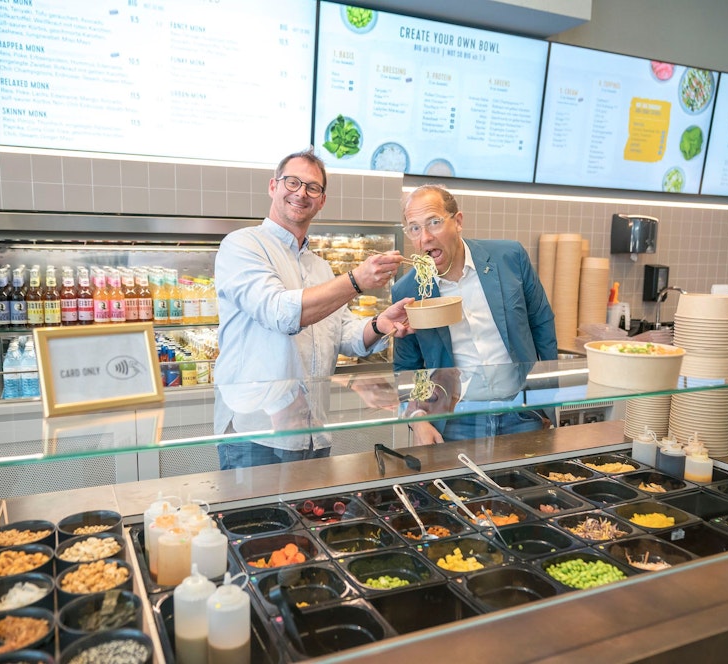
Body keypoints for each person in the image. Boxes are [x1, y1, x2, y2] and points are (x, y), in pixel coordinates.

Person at [213, 148, 413, 469]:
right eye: (292, 182)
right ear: (273, 187)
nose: (301, 193)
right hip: (257, 436)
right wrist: (356, 279)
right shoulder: (243, 246)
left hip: (314, 433)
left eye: (312, 188)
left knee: (312, 519)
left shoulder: (320, 267)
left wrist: (379, 324)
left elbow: (344, 335)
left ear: (321, 201)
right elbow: (279, 312)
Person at [392, 184, 557, 445]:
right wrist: (418, 419)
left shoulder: (509, 258)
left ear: (458, 221)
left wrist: (548, 401)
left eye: (433, 222)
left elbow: (542, 323)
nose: (424, 238)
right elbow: (406, 369)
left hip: (522, 414)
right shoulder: (409, 289)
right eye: (414, 227)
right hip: (456, 423)